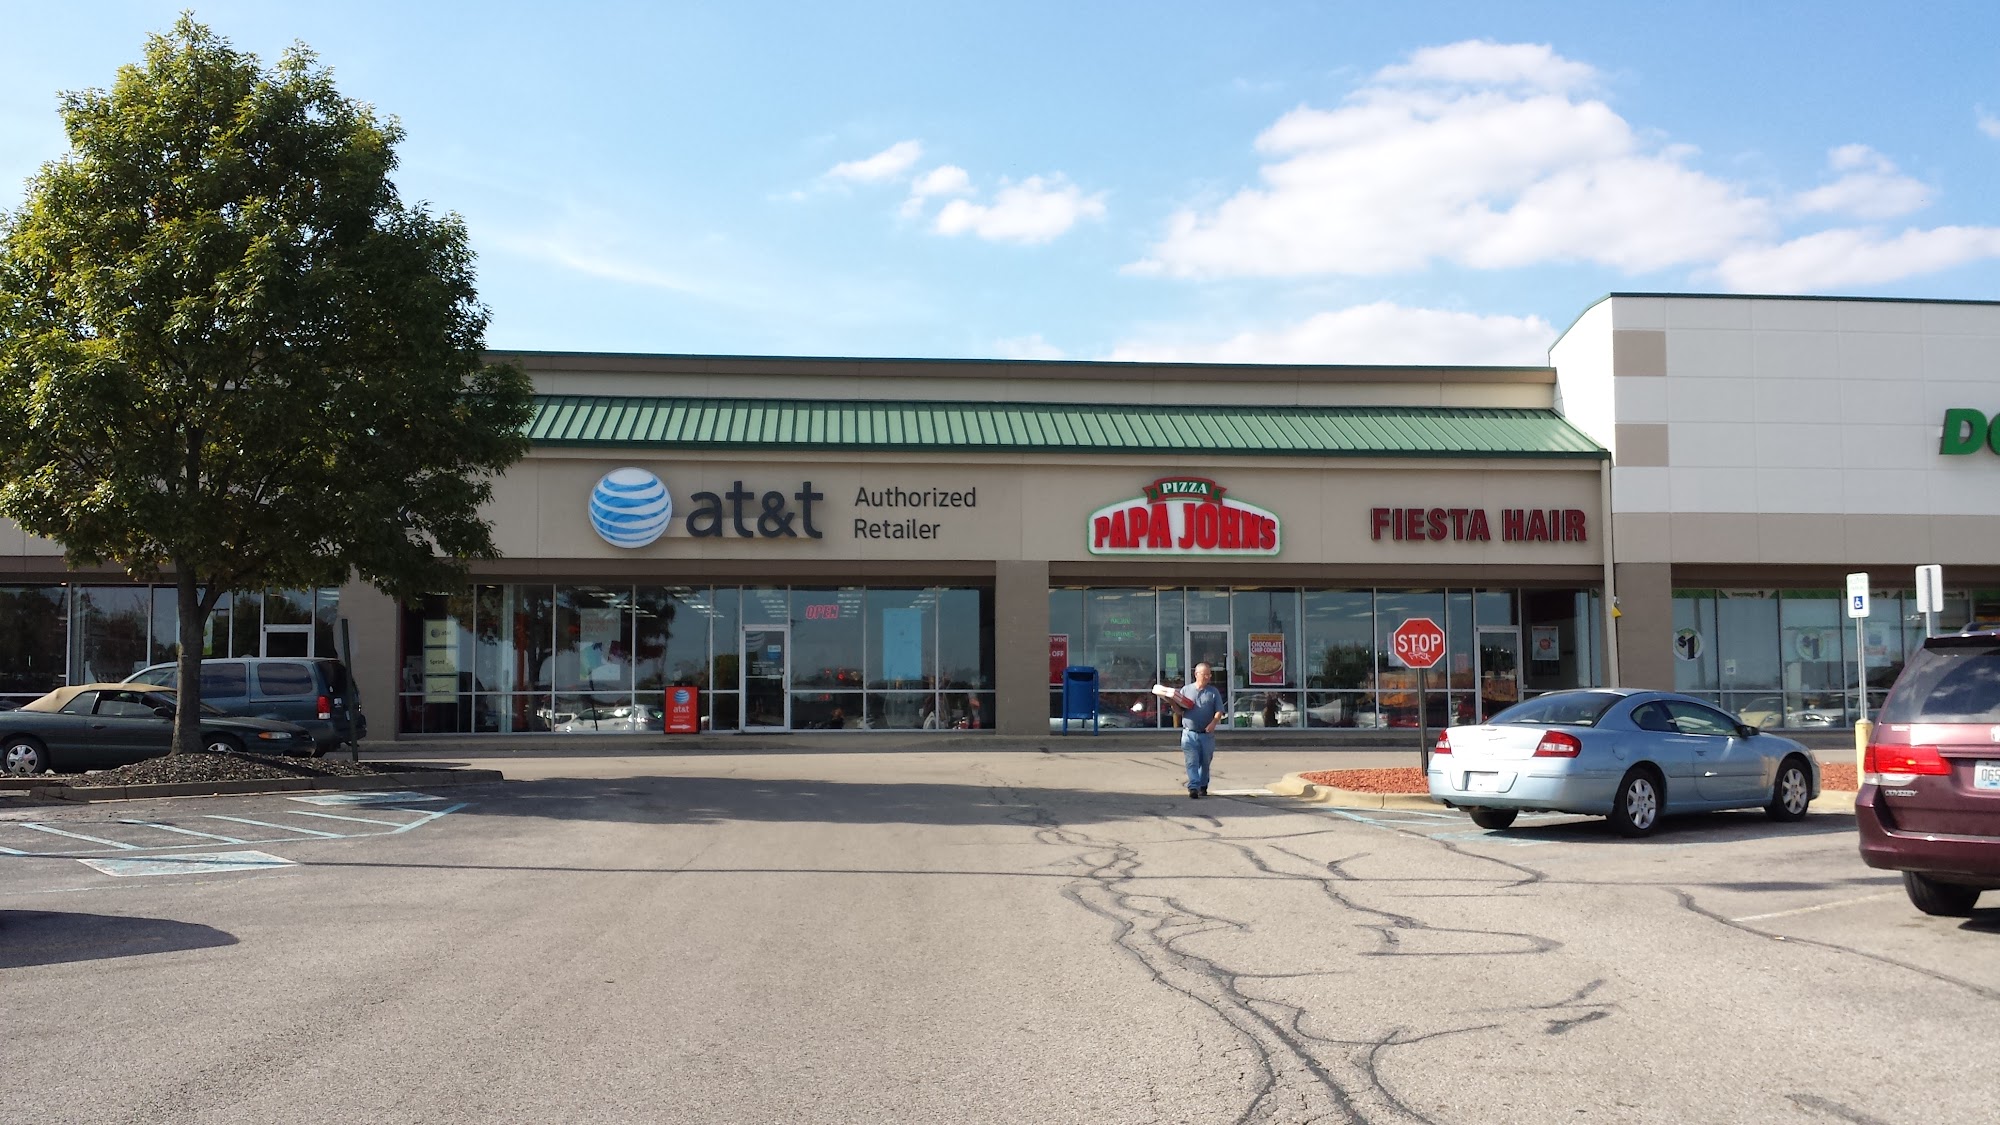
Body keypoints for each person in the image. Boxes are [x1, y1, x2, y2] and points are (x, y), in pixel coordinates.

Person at [1173, 662, 1225, 798]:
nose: (1207, 677)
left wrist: (1213, 723)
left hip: (1206, 735)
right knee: (1191, 761)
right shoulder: (1186, 690)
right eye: (1204, 674)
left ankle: (1203, 785)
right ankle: (1193, 787)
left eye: (1209, 675)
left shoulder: (1213, 692)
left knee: (1205, 762)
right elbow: (1179, 711)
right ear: (1196, 674)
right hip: (1189, 733)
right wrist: (1172, 702)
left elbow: (1219, 711)